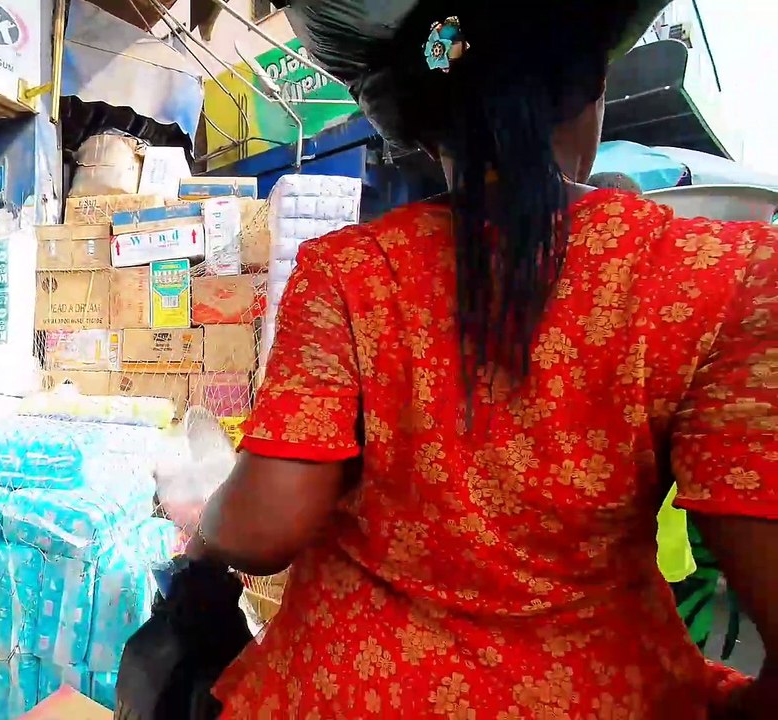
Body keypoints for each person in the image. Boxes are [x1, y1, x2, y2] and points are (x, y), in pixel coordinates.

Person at [181, 2, 778, 718]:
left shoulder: (352, 270)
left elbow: (259, 531)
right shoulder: (719, 273)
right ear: (594, 96)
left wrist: (204, 524)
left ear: (428, 135)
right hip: (597, 690)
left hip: (355, 689)